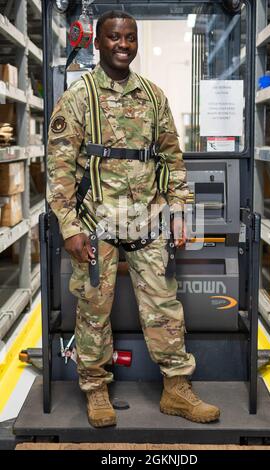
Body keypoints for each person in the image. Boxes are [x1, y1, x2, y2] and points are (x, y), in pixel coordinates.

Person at [47, 10, 220, 428]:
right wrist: (69, 226)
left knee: (164, 306)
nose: (123, 45)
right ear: (98, 43)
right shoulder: (78, 97)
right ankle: (95, 389)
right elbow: (59, 168)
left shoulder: (153, 95)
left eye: (129, 38)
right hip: (95, 223)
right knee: (93, 309)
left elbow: (171, 156)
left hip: (146, 221)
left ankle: (177, 389)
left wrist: (180, 209)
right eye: (114, 38)